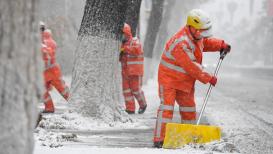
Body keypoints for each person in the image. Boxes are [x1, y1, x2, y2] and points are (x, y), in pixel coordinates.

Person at [153, 9, 231, 148]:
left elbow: (205, 43)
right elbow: (192, 65)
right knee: (166, 109)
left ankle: (188, 137)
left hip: (184, 81)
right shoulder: (181, 43)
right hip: (169, 79)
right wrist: (208, 78)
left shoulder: (197, 36)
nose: (203, 33)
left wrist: (221, 44)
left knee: (189, 109)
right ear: (192, 27)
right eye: (202, 30)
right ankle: (160, 139)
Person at [40, 22, 70, 113]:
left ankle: (76, 106)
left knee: (62, 90)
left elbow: (47, 55)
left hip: (51, 71)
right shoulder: (44, 41)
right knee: (43, 91)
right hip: (48, 72)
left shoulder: (46, 42)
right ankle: (49, 108)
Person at [119, 23, 147, 114]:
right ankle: (130, 108)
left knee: (136, 90)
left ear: (126, 33)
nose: (121, 36)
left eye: (122, 34)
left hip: (135, 72)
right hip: (125, 72)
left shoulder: (135, 41)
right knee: (126, 91)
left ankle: (143, 104)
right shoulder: (120, 45)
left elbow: (137, 50)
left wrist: (125, 49)